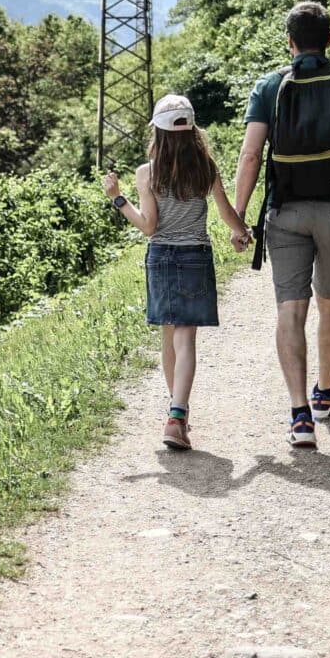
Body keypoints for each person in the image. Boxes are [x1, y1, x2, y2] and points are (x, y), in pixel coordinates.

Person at [234, 1, 330, 450]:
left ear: (289, 42)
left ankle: (299, 415)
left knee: (291, 309)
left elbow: (249, 156)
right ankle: (325, 391)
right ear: (329, 40)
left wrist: (239, 217)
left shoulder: (269, 87)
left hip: (284, 212)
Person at [104, 93, 252, 452]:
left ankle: (176, 414)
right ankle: (177, 415)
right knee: (185, 340)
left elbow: (149, 227)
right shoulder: (206, 168)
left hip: (161, 258)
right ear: (192, 129)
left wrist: (117, 198)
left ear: (158, 131)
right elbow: (226, 211)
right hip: (195, 257)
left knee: (169, 340)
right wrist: (241, 232)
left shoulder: (147, 173)